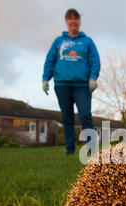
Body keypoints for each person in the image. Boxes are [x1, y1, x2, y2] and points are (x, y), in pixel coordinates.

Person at [42, 8, 100, 155]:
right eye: (70, 18)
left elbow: (95, 61)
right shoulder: (58, 41)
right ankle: (70, 149)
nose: (73, 21)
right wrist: (45, 79)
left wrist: (93, 77)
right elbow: (50, 60)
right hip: (62, 84)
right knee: (67, 118)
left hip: (82, 85)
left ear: (79, 21)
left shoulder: (87, 41)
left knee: (85, 115)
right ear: (66, 22)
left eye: (76, 18)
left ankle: (91, 149)